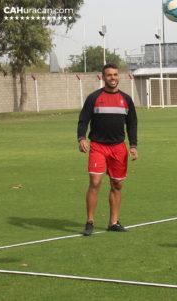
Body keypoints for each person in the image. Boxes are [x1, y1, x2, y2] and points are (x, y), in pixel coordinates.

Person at [77, 63, 138, 236]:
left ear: (118, 77)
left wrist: (133, 145)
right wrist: (81, 138)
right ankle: (90, 221)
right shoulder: (94, 97)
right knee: (95, 182)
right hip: (98, 146)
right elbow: (83, 120)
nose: (113, 77)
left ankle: (113, 222)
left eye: (115, 74)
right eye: (109, 75)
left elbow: (132, 124)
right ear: (103, 77)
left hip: (119, 148)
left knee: (117, 184)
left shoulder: (126, 99)